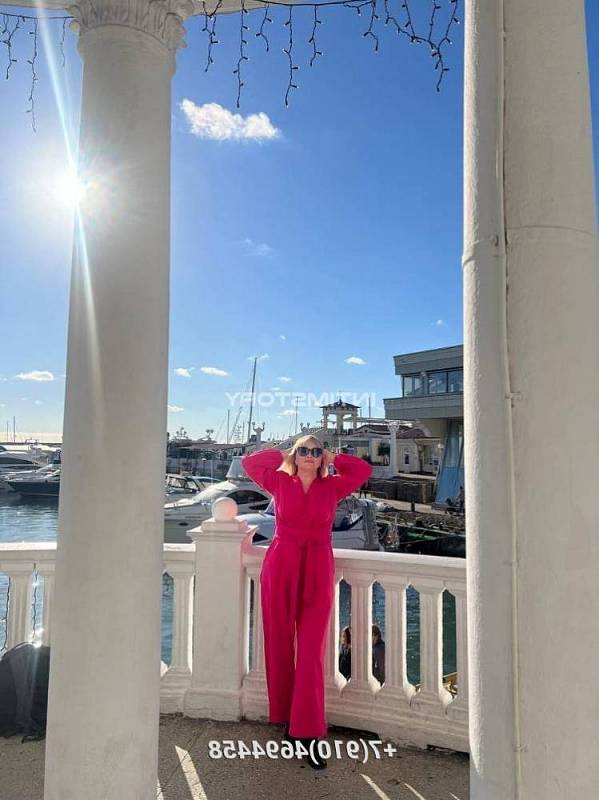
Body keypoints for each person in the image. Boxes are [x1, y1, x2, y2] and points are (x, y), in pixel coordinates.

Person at [241, 437, 372, 770]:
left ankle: (309, 732)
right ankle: (287, 719)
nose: (310, 456)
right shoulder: (279, 481)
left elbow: (362, 470)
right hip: (281, 564)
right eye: (304, 450)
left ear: (321, 457)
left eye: (315, 451)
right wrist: (284, 453)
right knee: (279, 642)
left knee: (312, 650)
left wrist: (334, 457)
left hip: (317, 565)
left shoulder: (332, 487)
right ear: (295, 456)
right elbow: (250, 463)